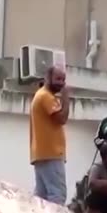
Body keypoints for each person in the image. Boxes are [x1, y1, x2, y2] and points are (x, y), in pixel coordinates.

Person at [29, 66, 70, 204]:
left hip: (41, 154)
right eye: (58, 79)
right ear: (48, 78)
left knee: (41, 198)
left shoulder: (41, 95)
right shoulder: (46, 96)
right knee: (57, 195)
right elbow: (62, 119)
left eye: (63, 79)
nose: (61, 83)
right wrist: (66, 98)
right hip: (51, 153)